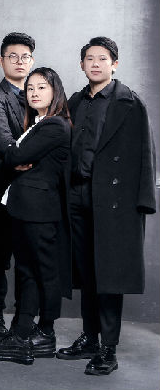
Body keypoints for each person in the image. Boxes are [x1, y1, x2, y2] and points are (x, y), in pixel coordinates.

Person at [57, 37, 156, 376]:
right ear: (82, 65)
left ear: (114, 64)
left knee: (108, 276)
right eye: (90, 58)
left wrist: (143, 202)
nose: (96, 64)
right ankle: (89, 338)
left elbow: (145, 153)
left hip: (115, 203)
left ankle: (108, 349)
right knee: (86, 272)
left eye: (102, 59)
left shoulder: (130, 102)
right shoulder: (74, 101)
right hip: (77, 195)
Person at [0, 67, 72, 365]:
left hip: (40, 209)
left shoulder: (55, 126)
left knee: (44, 271)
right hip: (25, 208)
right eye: (30, 88)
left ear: (55, 91)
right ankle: (24, 329)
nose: (34, 93)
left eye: (41, 87)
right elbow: (17, 156)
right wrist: (17, 153)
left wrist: (15, 152)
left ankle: (46, 330)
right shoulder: (38, 124)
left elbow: (14, 156)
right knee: (26, 270)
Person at [0, 32, 36, 343]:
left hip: (35, 191)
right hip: (2, 189)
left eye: (25, 57)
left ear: (32, 61)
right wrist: (34, 158)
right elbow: (4, 143)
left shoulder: (39, 93)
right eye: (12, 56)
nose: (19, 62)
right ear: (1, 61)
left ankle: (24, 320)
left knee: (28, 258)